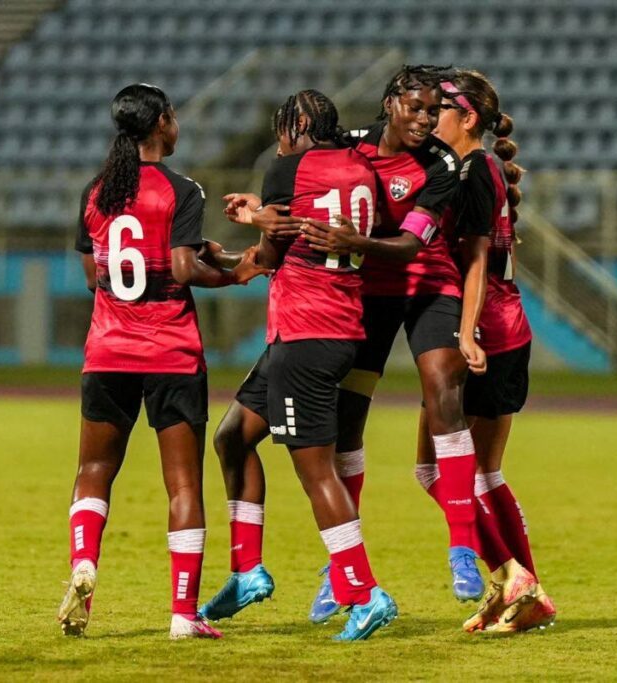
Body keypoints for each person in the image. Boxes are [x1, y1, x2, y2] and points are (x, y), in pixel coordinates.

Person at [58, 83, 267, 640]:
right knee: (183, 488)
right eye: (173, 117)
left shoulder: (96, 191)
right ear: (160, 125)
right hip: (171, 353)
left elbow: (92, 274)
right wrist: (235, 273)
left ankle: (84, 565)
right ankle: (181, 615)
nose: (177, 126)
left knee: (94, 471)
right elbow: (180, 267)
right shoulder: (181, 190)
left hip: (107, 350)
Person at [200, 89, 398, 641]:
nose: (279, 138)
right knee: (233, 436)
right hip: (332, 327)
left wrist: (239, 247)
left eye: (284, 126)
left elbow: (271, 254)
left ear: (302, 123)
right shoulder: (361, 167)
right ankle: (246, 571)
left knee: (317, 472)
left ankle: (364, 591)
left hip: (307, 332)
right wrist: (256, 228)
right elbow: (291, 233)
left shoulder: (289, 168)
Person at [299, 65, 485, 620]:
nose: (425, 120)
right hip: (367, 296)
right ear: (388, 104)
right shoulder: (348, 146)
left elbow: (408, 247)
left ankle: (463, 549)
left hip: (428, 286)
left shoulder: (443, 165)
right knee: (347, 423)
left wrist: (355, 240)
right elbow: (299, 170)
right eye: (415, 108)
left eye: (433, 110)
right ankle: (340, 569)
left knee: (441, 390)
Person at [429, 69, 556, 634]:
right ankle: (525, 593)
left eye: (440, 109)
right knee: (483, 471)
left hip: (485, 332)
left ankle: (513, 579)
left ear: (468, 118)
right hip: (508, 327)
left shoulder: (475, 168)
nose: (431, 118)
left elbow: (477, 259)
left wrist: (464, 331)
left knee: (437, 470)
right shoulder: (481, 168)